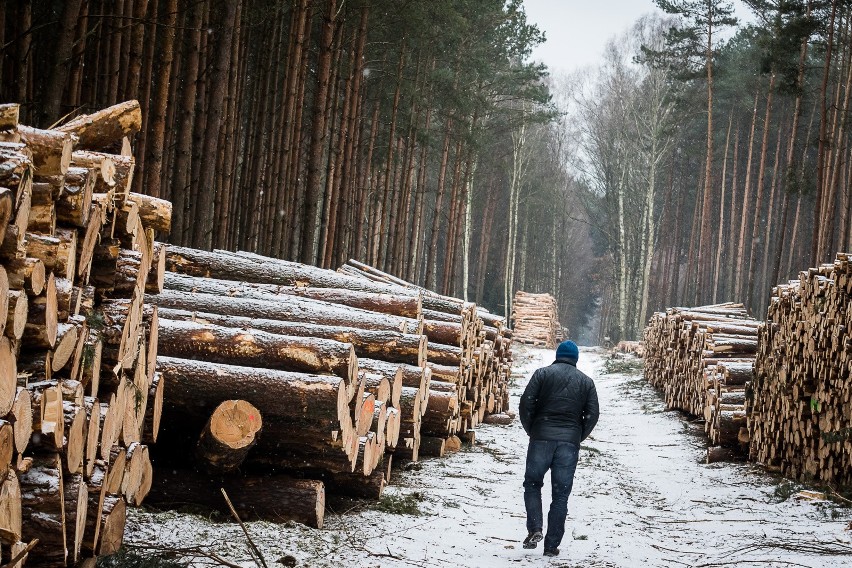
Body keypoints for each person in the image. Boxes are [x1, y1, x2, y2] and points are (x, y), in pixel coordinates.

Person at [518, 340, 599, 557]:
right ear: (576, 358)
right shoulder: (587, 382)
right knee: (561, 495)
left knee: (533, 483)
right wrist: (577, 436)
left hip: (541, 439)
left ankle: (535, 528)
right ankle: (551, 546)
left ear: (558, 354)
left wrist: (532, 429)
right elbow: (592, 415)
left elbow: (526, 403)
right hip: (569, 444)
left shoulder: (542, 374)